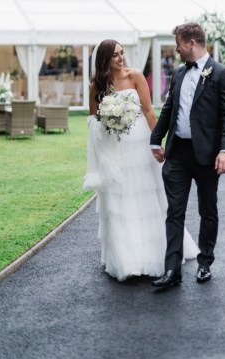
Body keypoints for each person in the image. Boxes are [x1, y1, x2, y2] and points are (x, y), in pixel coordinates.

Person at [83, 39, 199, 282]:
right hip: (115, 150)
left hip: (140, 146)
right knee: (121, 201)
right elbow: (93, 119)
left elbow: (148, 111)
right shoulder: (97, 85)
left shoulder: (135, 76)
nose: (120, 58)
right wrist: (109, 122)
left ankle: (158, 254)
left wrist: (157, 142)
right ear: (104, 58)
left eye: (122, 53)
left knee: (148, 197)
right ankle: (127, 258)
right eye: (115, 55)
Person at [150, 22, 225, 289]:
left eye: (178, 43)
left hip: (207, 155)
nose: (175, 49)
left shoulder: (222, 73)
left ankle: (204, 263)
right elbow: (168, 109)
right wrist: (155, 141)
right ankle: (172, 270)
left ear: (191, 43)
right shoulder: (178, 73)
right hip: (177, 154)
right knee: (174, 212)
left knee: (207, 210)